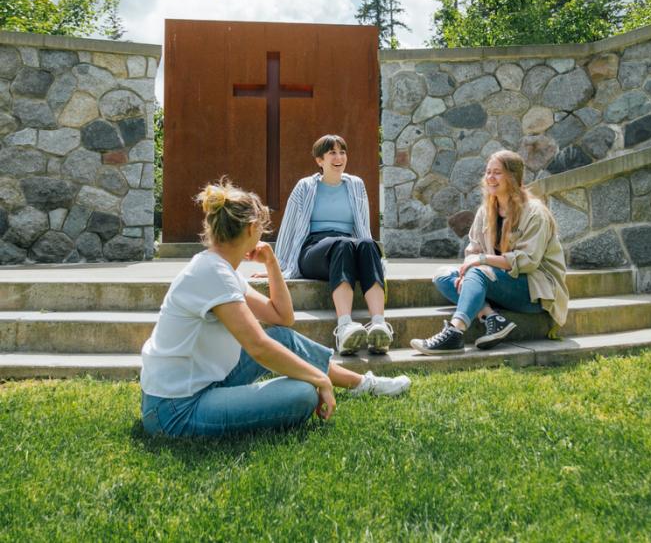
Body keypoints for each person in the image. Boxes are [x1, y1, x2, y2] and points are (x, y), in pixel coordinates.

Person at [140, 180, 410, 438]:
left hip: (204, 384)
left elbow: (283, 318)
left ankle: (360, 384)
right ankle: (346, 383)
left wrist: (271, 263)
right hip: (174, 410)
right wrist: (319, 379)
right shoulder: (213, 273)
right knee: (303, 394)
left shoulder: (216, 267)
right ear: (251, 228)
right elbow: (258, 347)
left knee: (283, 338)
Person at [411, 150, 568, 355]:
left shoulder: (535, 213)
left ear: (513, 177)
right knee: (442, 276)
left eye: (497, 173)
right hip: (498, 282)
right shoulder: (486, 211)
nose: (490, 178)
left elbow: (528, 262)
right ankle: (491, 317)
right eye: (488, 172)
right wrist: (469, 268)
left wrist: (480, 261)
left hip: (535, 290)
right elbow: (473, 249)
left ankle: (454, 333)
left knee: (479, 271)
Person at [274, 135, 393, 356]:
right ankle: (345, 326)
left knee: (367, 243)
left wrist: (369, 255)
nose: (339, 157)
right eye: (332, 153)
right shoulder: (306, 187)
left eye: (342, 152)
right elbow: (289, 227)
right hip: (314, 249)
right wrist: (277, 265)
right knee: (342, 244)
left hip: (347, 246)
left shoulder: (356, 185)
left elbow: (363, 227)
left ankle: (379, 324)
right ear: (320, 160)